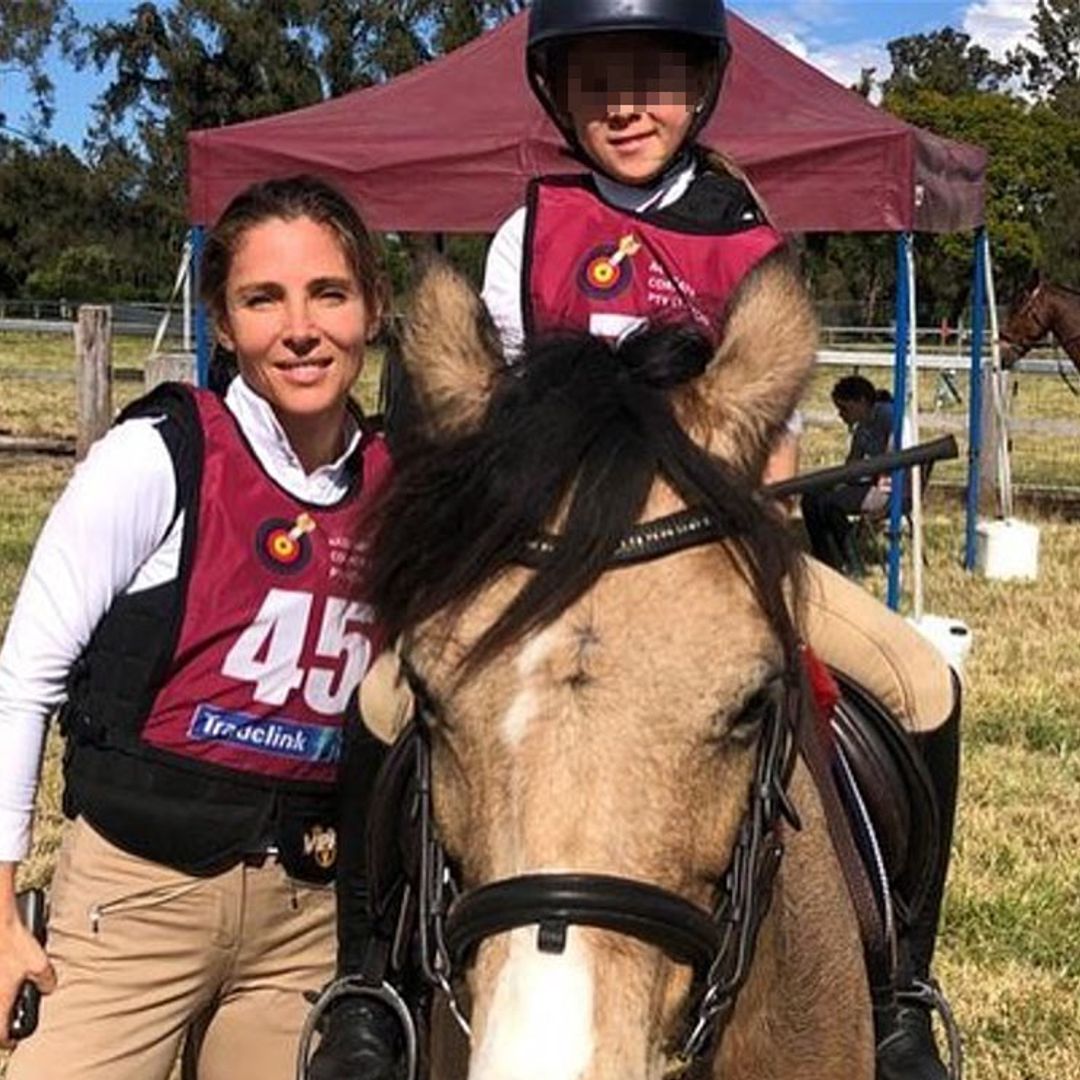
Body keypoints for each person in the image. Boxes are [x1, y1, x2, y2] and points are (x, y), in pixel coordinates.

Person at [314, 4, 960, 1080]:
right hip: (544, 545)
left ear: (700, 88)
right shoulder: (527, 231)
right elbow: (495, 417)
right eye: (598, 82)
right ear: (559, 96)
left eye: (652, 79)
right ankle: (368, 988)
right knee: (385, 701)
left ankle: (897, 993)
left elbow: (772, 438)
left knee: (920, 681)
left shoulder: (745, 235)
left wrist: (744, 537)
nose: (625, 106)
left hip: (704, 543)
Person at [0, 175, 391, 1080]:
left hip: (305, 916)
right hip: (137, 895)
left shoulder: (403, 489)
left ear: (373, 307)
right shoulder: (160, 456)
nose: (300, 328)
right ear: (222, 321)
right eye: (263, 299)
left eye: (329, 293)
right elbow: (24, 678)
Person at [802, 375, 894, 573]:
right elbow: (852, 464)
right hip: (873, 482)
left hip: (891, 488)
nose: (841, 414)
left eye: (844, 408)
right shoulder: (862, 428)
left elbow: (894, 457)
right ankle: (824, 557)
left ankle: (850, 561)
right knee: (810, 498)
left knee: (829, 503)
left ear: (861, 401)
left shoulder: (889, 416)